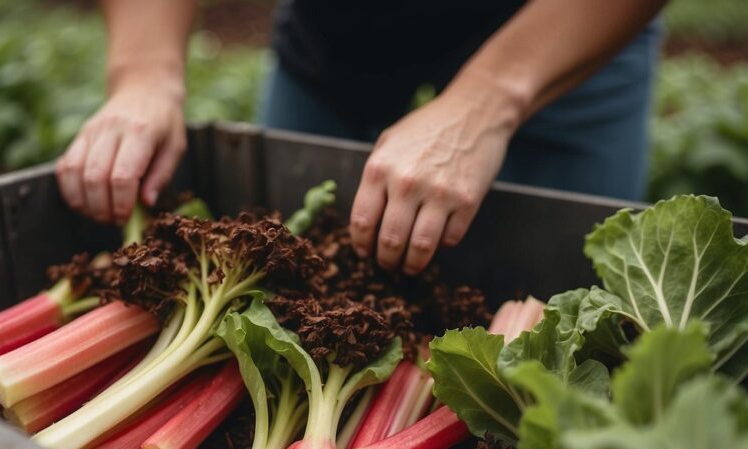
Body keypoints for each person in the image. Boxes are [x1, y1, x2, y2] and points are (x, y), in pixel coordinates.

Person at [56, 0, 666, 275]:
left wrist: (489, 101)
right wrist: (143, 75)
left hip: (560, 28)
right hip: (336, 34)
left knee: (562, 298)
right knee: (285, 264)